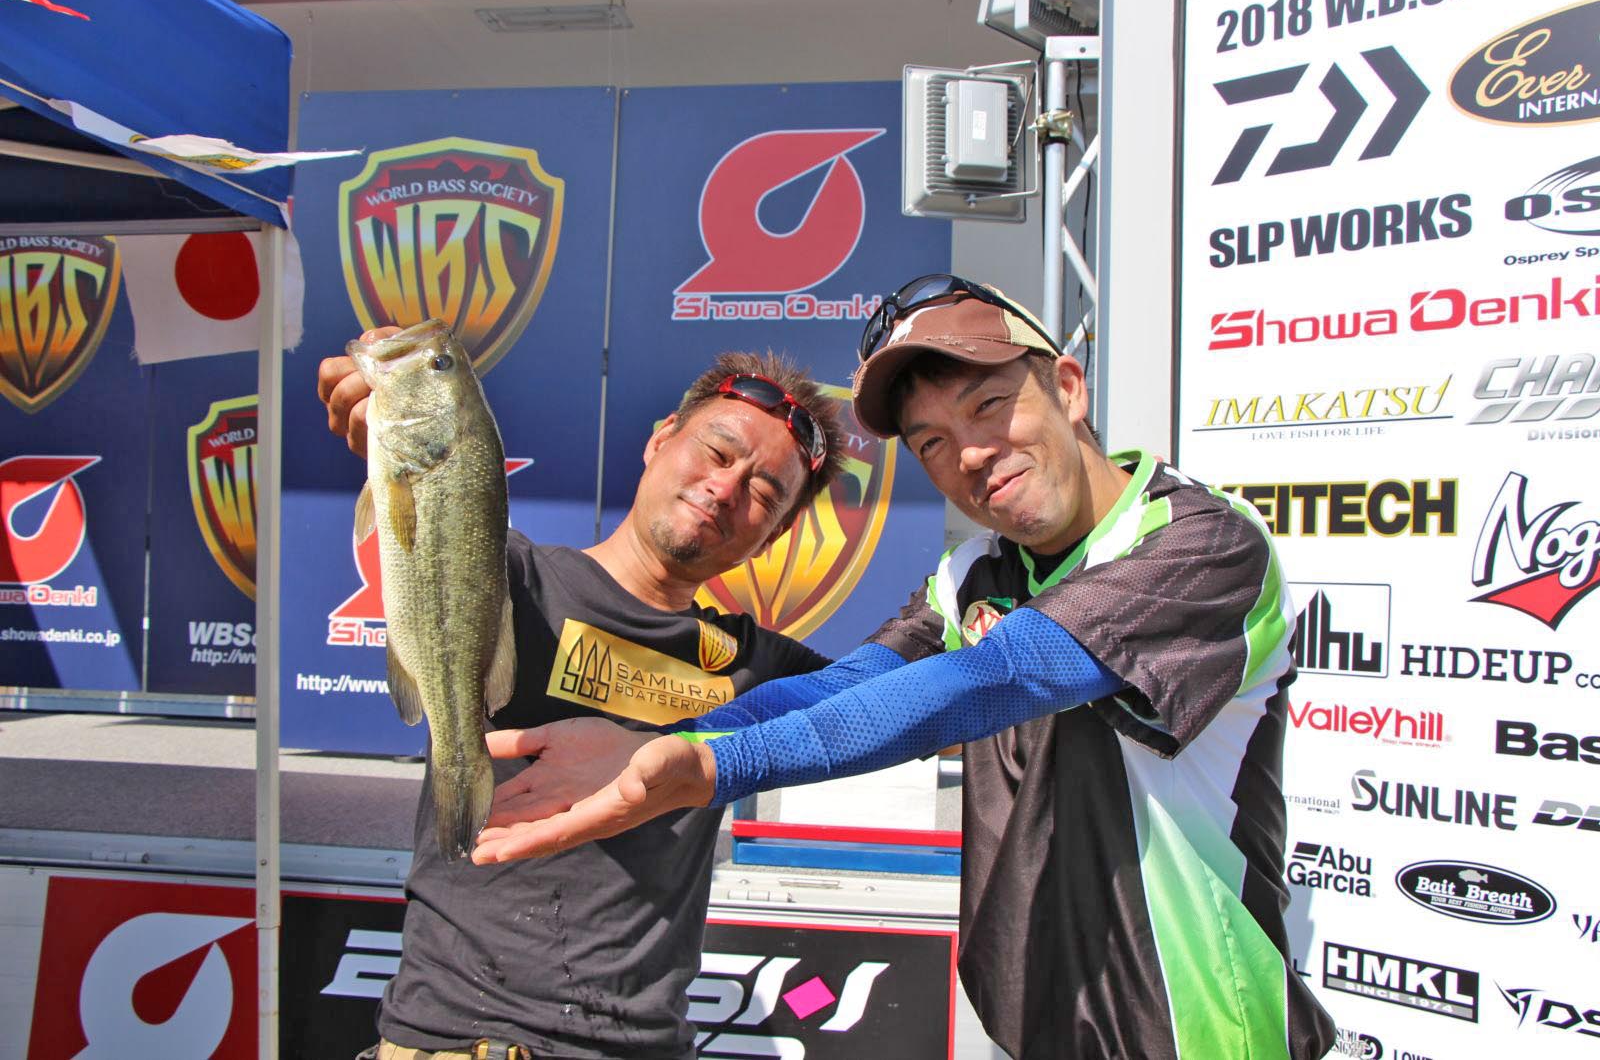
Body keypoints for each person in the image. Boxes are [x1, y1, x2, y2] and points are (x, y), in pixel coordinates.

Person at [469, 276, 1339, 1060]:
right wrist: (673, 742)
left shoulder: (1201, 543)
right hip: (1032, 1031)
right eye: (932, 442)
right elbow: (851, 687)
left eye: (990, 405)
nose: (971, 454)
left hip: (1202, 1032)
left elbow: (1001, 677)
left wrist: (714, 763)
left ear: (1069, 389)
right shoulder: (972, 575)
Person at [316, 337, 847, 1060]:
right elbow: (437, 499)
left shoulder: (764, 668)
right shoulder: (512, 577)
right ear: (661, 439)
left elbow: (926, 699)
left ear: (774, 535)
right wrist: (388, 417)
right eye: (718, 452)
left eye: (762, 493)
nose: (725, 489)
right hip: (454, 1039)